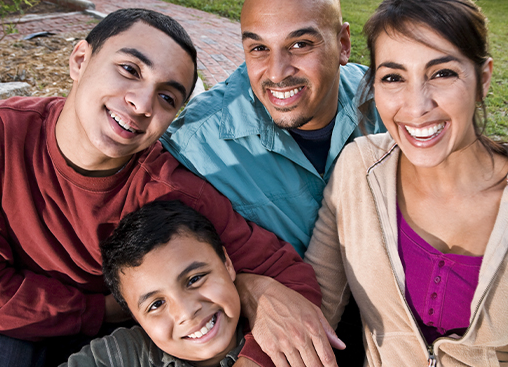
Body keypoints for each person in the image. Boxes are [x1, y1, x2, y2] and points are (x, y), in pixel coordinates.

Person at [0, 9, 336, 367]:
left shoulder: (169, 189)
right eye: (129, 70)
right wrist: (102, 309)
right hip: (18, 325)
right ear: (81, 59)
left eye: (167, 97)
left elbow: (289, 279)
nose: (140, 103)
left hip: (141, 333)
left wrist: (254, 308)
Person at [304, 0, 508, 365]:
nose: (416, 106)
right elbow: (315, 311)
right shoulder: (357, 171)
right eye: (393, 77)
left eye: (442, 74)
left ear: (483, 79)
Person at [161, 0, 383, 364]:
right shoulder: (194, 147)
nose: (277, 73)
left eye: (300, 45)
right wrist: (249, 287)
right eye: (259, 49)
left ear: (343, 44)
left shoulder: (385, 103)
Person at [63, 200, 247, 367]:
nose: (186, 312)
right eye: (156, 304)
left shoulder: (272, 318)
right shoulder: (124, 355)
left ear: (227, 264)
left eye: (194, 279)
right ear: (136, 318)